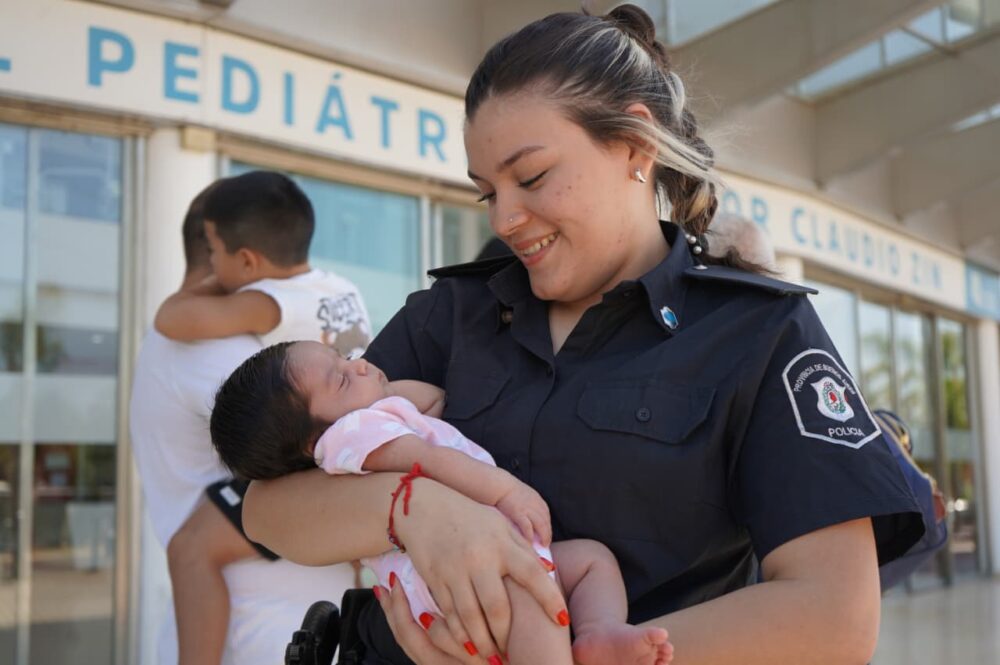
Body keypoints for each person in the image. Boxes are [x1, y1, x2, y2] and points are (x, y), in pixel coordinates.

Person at [242, 6, 925, 665]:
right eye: (488, 192)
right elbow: (269, 507)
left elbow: (836, 613)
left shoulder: (758, 330)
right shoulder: (451, 313)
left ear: (634, 144)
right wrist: (414, 510)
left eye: (532, 176)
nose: (506, 217)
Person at [210, 340, 674, 665]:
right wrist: (505, 491)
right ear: (315, 439)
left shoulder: (371, 422)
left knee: (592, 562)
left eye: (346, 358)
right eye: (341, 380)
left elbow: (433, 404)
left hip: (483, 557)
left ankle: (596, 634)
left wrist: (383, 394)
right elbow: (428, 459)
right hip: (456, 572)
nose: (360, 366)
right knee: (534, 602)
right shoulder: (351, 439)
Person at [129, 183, 356, 665]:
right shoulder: (333, 289)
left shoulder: (257, 317)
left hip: (280, 627)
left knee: (193, 549)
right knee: (194, 548)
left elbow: (175, 316)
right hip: (263, 637)